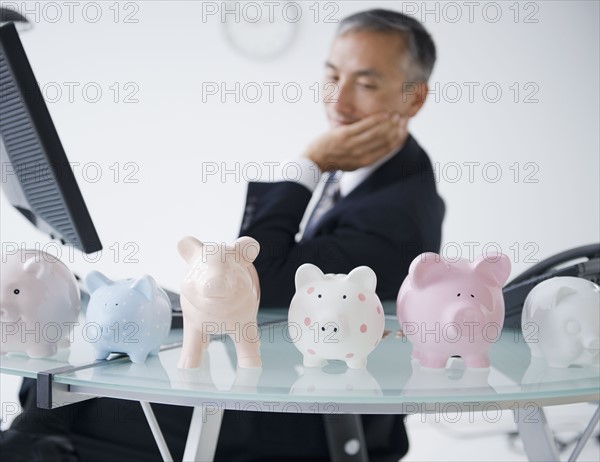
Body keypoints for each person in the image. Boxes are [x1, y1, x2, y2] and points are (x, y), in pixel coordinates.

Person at [1, 8, 444, 462]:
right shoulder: (373, 173)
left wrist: (307, 164)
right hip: (287, 381)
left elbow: (260, 280)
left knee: (74, 399)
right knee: (56, 388)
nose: (339, 101)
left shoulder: (397, 211)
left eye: (366, 84)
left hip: (309, 420)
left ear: (413, 98)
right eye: (332, 75)